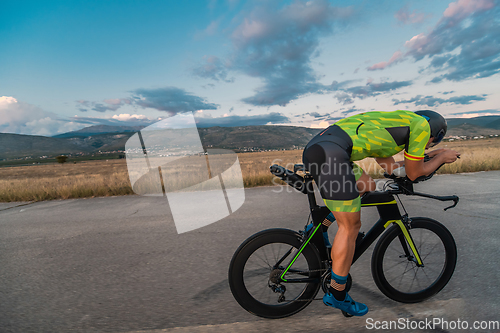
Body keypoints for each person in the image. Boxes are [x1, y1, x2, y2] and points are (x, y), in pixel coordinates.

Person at [302, 110, 460, 316]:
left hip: (323, 149)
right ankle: (337, 293)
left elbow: (394, 168)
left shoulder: (394, 127)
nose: (428, 146)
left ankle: (317, 229)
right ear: (436, 133)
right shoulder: (421, 126)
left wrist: (433, 155)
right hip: (332, 156)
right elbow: (414, 173)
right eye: (432, 143)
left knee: (366, 186)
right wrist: (442, 158)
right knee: (350, 226)